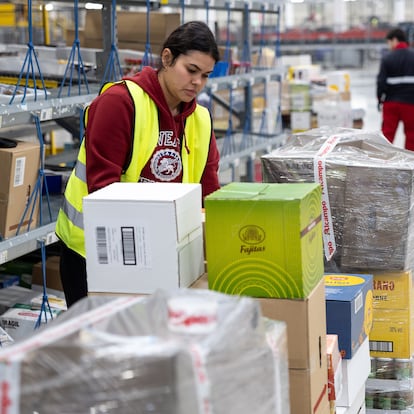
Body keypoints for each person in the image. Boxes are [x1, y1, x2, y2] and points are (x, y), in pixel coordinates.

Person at [55, 21, 221, 307]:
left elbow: (208, 194)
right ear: (167, 59)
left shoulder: (201, 120)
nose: (197, 82)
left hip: (159, 258)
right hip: (94, 254)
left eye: (205, 75)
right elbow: (103, 190)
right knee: (103, 347)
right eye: (191, 70)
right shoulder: (119, 103)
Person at [377, 27, 414, 151]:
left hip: (391, 103)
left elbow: (381, 82)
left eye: (389, 42)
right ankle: (410, 166)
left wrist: (379, 99)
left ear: (394, 40)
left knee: (386, 137)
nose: (389, 46)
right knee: (412, 137)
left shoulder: (387, 58)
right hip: (411, 104)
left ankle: (384, 165)